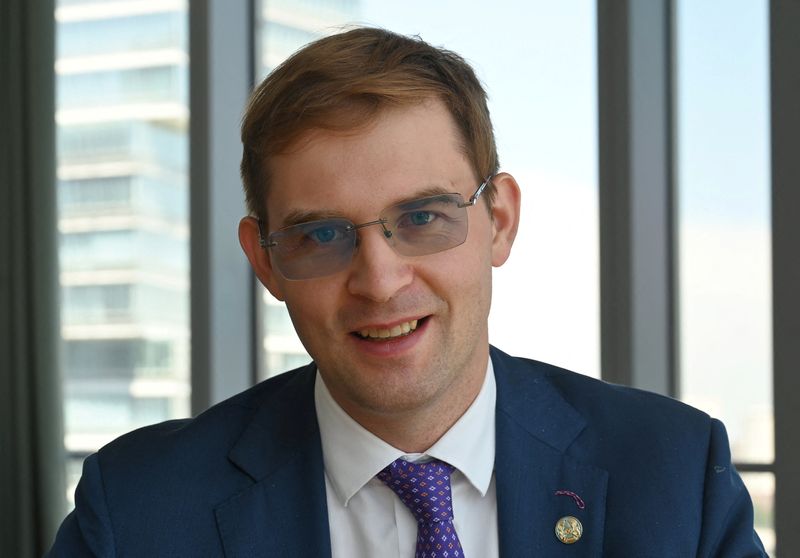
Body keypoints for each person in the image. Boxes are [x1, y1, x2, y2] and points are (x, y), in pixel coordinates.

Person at [48, 27, 767, 557]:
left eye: (422, 218)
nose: (380, 281)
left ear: (500, 222)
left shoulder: (674, 476)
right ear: (264, 262)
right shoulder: (139, 510)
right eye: (322, 236)